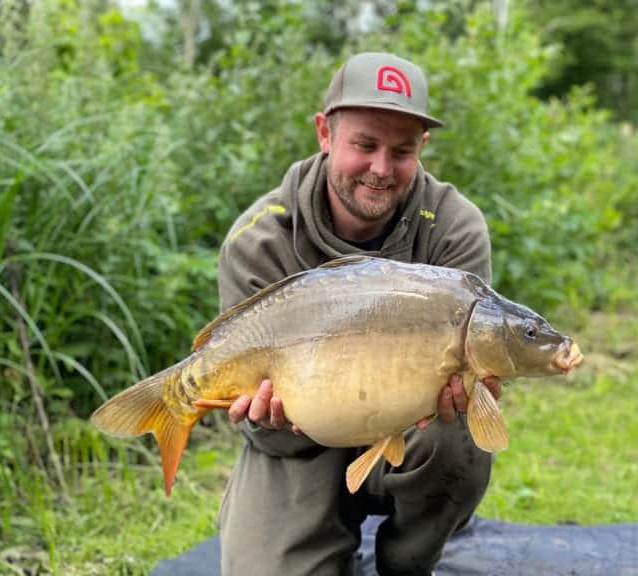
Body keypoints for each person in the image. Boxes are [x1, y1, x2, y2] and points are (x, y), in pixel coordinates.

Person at [216, 52, 493, 576]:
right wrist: (268, 416)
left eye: (402, 151)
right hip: (297, 442)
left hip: (410, 425)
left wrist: (469, 390)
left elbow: (478, 360)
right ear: (324, 133)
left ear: (423, 148)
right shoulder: (260, 239)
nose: (381, 169)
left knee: (459, 436)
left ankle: (407, 564)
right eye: (364, 145)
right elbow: (256, 429)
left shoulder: (454, 227)